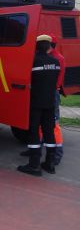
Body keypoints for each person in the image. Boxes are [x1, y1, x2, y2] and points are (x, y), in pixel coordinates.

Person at [17, 34, 60, 176]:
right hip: (49, 103)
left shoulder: (33, 62)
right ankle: (50, 163)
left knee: (34, 131)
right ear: (48, 46)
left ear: (36, 46)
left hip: (35, 103)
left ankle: (34, 165)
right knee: (49, 131)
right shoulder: (55, 62)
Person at [49, 34, 65, 165]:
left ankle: (58, 153)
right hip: (49, 92)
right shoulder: (55, 57)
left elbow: (58, 79)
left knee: (54, 123)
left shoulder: (56, 58)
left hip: (51, 92)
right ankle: (40, 146)